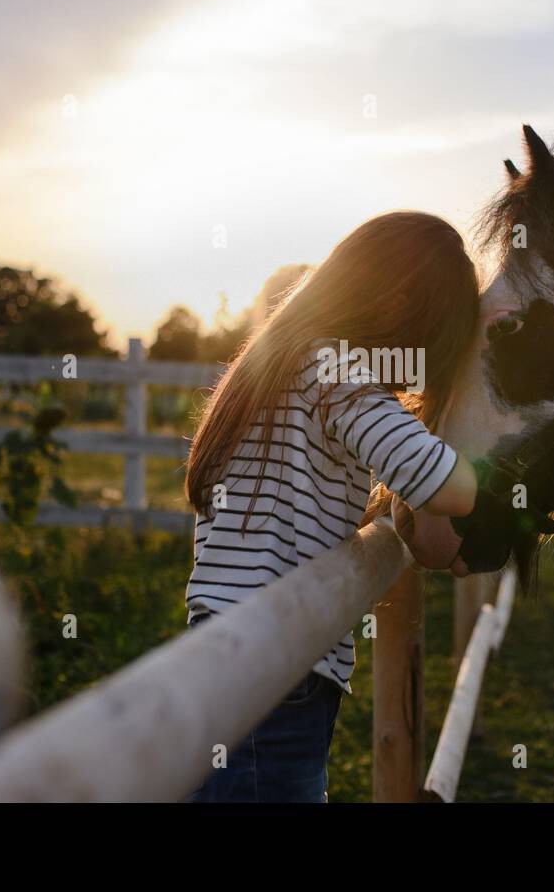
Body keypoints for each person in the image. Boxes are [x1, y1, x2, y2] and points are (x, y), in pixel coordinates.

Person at [182, 211, 480, 802]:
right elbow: (450, 486)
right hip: (279, 667)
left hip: (215, 651)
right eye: (432, 342)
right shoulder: (340, 371)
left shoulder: (272, 363)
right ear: (398, 307)